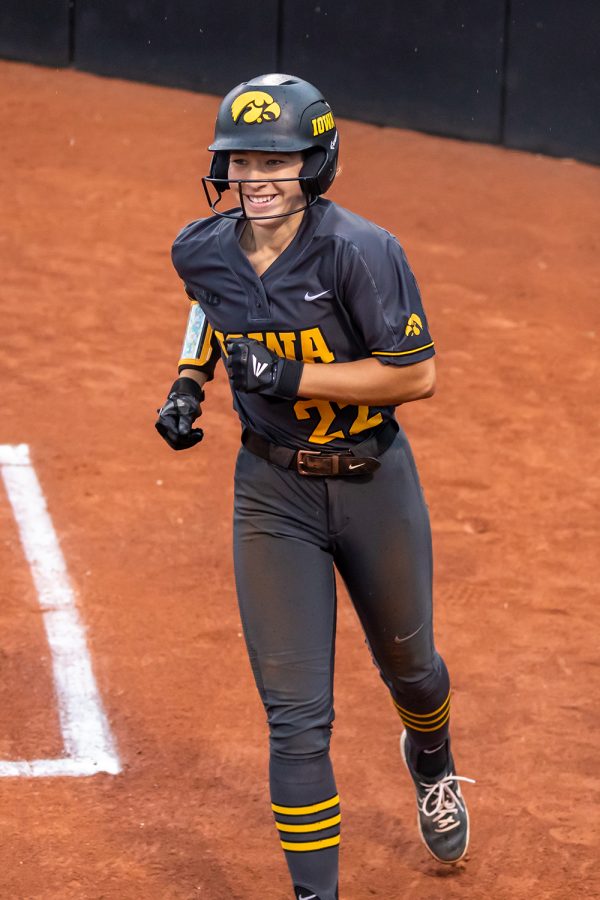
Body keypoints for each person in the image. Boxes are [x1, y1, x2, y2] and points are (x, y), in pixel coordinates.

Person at [156, 73, 474, 900]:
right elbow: (209, 305)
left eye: (276, 159)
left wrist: (295, 375)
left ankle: (431, 758)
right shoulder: (201, 244)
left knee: (413, 672)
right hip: (272, 494)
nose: (254, 177)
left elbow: (416, 376)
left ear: (317, 162)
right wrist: (190, 382)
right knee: (297, 721)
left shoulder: (360, 251)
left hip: (373, 483)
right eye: (238, 160)